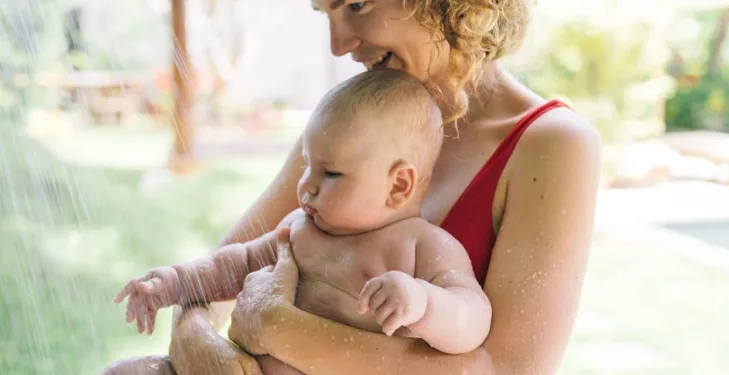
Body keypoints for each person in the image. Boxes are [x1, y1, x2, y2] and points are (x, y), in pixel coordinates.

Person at [102, 0, 601, 374]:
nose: (339, 44)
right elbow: (217, 278)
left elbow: (501, 371)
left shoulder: (552, 145)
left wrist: (274, 325)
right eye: (325, 12)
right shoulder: (350, 125)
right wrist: (198, 346)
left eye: (357, 4)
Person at [111, 69, 492, 374]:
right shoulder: (299, 230)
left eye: (330, 173)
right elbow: (234, 264)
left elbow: (472, 320)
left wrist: (423, 303)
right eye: (307, 164)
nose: (306, 184)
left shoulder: (423, 247)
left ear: (398, 185)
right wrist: (174, 282)